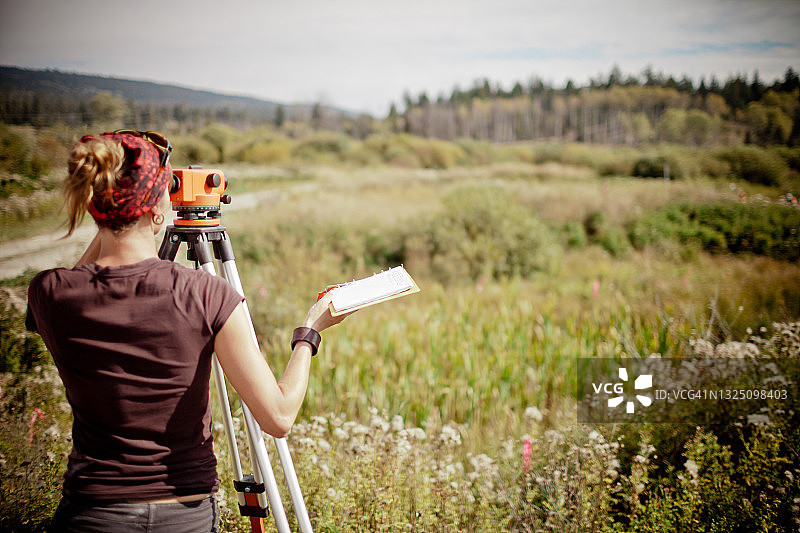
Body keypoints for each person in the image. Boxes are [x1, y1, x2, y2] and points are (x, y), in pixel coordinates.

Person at [25, 130, 349, 532]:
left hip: (92, 514)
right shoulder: (206, 294)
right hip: (184, 514)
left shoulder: (52, 292)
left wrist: (109, 218)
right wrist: (310, 331)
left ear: (95, 203)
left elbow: (84, 274)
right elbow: (279, 417)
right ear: (157, 209)